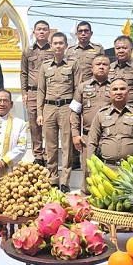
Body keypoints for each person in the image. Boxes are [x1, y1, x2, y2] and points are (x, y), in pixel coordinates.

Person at [36, 32, 81, 193]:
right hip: (49, 108)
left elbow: (78, 89)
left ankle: (65, 181)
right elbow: (41, 90)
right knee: (50, 146)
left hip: (66, 108)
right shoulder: (45, 66)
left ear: (66, 46)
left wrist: (75, 112)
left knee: (67, 145)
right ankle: (53, 178)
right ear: (51, 45)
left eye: (61, 43)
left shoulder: (73, 64)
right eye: (55, 43)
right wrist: (39, 112)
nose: (58, 46)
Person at [70, 54, 113, 194]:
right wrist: (75, 135)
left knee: (108, 171)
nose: (101, 67)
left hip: (109, 137)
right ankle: (85, 204)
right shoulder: (82, 87)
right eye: (98, 64)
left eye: (105, 64)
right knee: (88, 172)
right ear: (92, 68)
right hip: (88, 138)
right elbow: (75, 113)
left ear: (109, 68)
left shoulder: (116, 87)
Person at [87, 79, 133, 170]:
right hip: (107, 168)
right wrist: (91, 168)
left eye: (122, 89)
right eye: (115, 89)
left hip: (132, 168)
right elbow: (92, 142)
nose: (119, 92)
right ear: (110, 93)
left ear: (128, 92)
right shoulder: (101, 114)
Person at [66, 21, 104, 170]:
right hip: (73, 92)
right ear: (76, 34)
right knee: (74, 124)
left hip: (92, 91)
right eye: (80, 31)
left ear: (91, 33)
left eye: (86, 31)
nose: (83, 34)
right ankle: (75, 158)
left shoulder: (97, 49)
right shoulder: (70, 51)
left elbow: (103, 65)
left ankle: (97, 153)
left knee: (91, 124)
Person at [20, 20, 54, 167]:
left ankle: (48, 155)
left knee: (48, 124)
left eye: (45, 29)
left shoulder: (53, 50)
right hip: (33, 93)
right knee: (34, 125)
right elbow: (23, 73)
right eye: (39, 29)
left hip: (50, 93)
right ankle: (38, 154)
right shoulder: (27, 51)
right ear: (33, 32)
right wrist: (24, 92)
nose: (42, 32)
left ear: (49, 32)